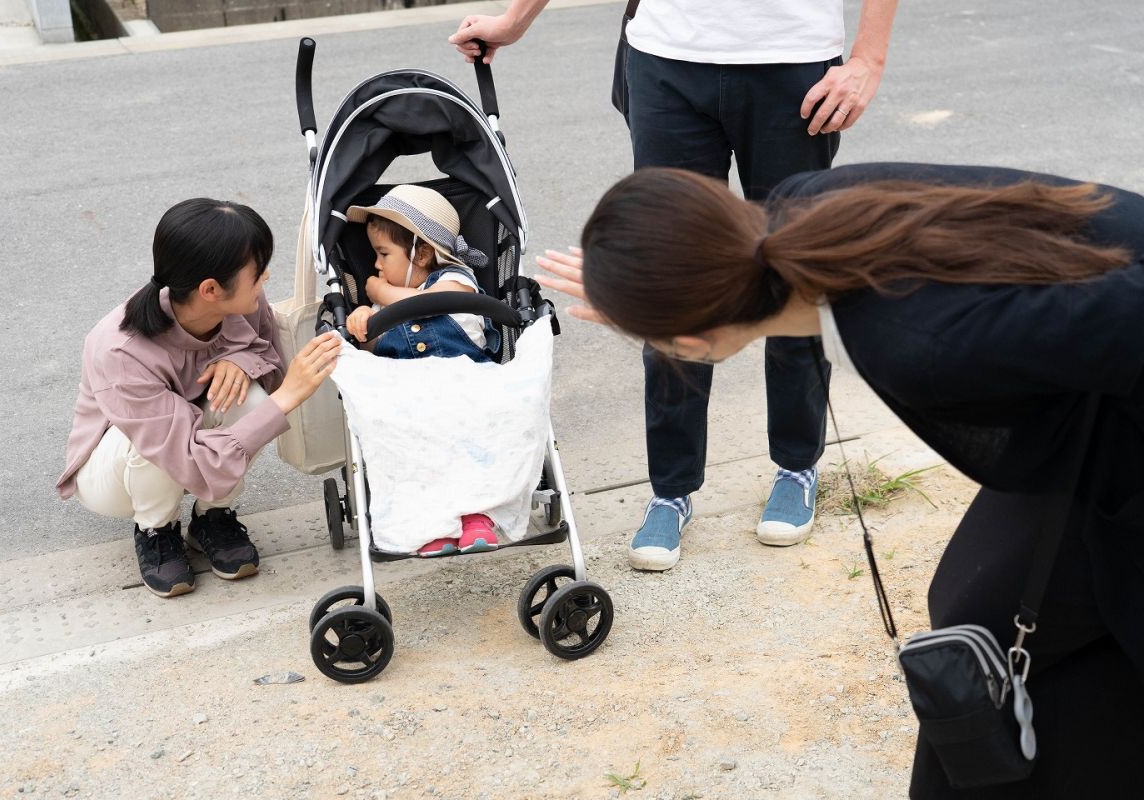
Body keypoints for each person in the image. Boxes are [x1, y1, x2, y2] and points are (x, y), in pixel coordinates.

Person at [537, 163, 1144, 797]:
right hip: (1099, 422)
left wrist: (663, 314)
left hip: (1121, 436)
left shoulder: (910, 341)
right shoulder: (806, 205)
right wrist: (658, 292)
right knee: (974, 611)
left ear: (690, 338)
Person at [452, 0, 899, 571]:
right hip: (667, 56)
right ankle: (671, 488)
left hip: (794, 61)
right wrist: (514, 21)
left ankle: (796, 464)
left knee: (792, 269)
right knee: (670, 273)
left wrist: (868, 58)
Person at [56, 198, 343, 598]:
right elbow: (185, 456)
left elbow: (270, 366)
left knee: (250, 397)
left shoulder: (243, 302)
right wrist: (290, 396)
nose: (266, 278)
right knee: (151, 445)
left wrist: (242, 360)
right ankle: (156, 529)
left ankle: (212, 517)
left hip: (191, 438)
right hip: (115, 469)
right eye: (257, 273)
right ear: (210, 289)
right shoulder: (120, 351)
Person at [343, 184, 501, 556]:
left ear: (424, 253)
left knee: (468, 452)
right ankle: (433, 525)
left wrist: (378, 294)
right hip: (409, 400)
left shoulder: (455, 278)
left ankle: (476, 518)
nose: (377, 266)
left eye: (383, 254)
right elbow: (372, 347)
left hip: (464, 392)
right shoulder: (386, 300)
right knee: (415, 459)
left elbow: (432, 304)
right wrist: (364, 320)